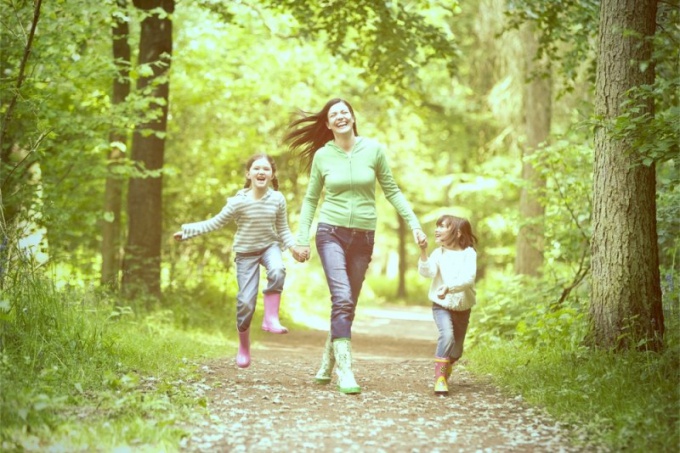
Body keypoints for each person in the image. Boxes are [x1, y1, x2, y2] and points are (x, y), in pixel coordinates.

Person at [284, 98, 427, 394]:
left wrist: (414, 224)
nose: (340, 117)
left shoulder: (373, 150)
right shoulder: (324, 156)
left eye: (344, 113)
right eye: (334, 114)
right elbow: (311, 199)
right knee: (343, 298)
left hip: (363, 236)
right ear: (327, 124)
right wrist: (301, 238)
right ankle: (345, 372)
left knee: (348, 305)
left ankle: (327, 361)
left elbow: (392, 190)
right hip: (330, 232)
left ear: (352, 118)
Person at [173, 153, 307, 369]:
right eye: (256, 168)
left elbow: (282, 229)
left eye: (266, 169)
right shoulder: (238, 202)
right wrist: (187, 231)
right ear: (248, 174)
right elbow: (214, 223)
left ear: (272, 175)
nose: (261, 172)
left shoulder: (277, 199)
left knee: (278, 270)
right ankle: (244, 346)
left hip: (269, 247)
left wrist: (293, 249)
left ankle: (270, 318)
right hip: (245, 253)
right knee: (245, 302)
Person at [418, 214, 478, 395]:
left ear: (458, 232)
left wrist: (449, 287)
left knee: (457, 350)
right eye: (437, 226)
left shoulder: (469, 254)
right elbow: (427, 273)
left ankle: (446, 365)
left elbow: (468, 278)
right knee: (447, 336)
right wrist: (423, 252)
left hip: (463, 307)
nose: (437, 229)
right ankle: (440, 379)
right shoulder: (438, 253)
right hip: (441, 305)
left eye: (442, 226)